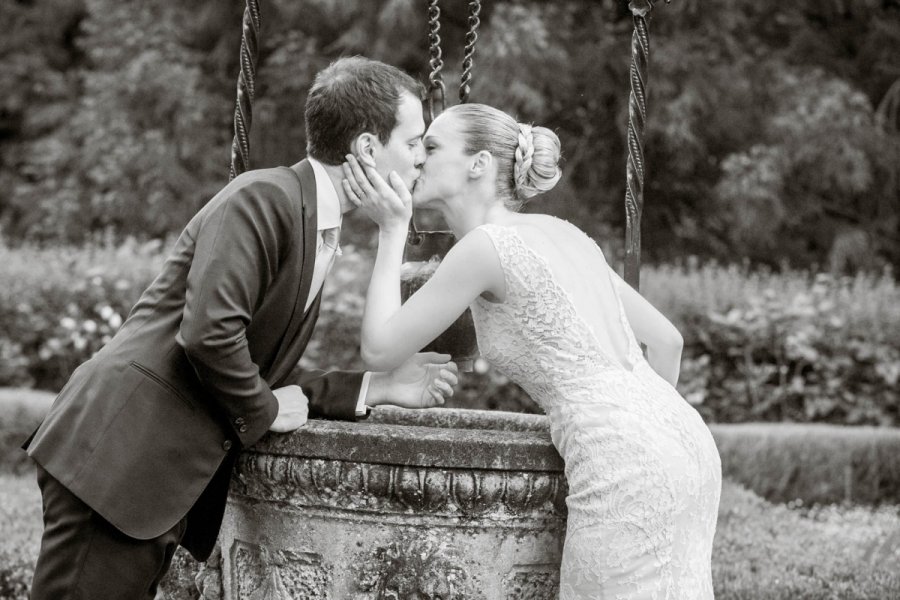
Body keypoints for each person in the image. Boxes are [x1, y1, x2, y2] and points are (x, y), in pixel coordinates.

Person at [23, 56, 458, 600]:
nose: (421, 159)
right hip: (116, 461)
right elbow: (210, 335)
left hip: (144, 477)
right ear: (368, 148)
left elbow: (255, 362)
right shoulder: (264, 197)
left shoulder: (312, 218)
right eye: (414, 142)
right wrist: (267, 410)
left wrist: (378, 387)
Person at [341, 102, 722, 599]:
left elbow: (378, 350)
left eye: (431, 147)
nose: (417, 160)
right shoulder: (565, 234)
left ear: (479, 164)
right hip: (684, 438)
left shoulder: (484, 247)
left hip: (624, 462)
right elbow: (667, 340)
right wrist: (639, 430)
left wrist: (392, 230)